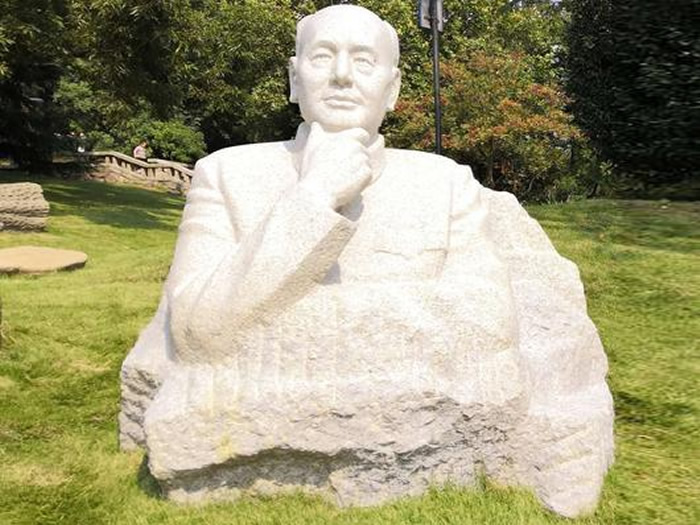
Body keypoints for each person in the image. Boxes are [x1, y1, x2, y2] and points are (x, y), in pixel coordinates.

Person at [120, 6, 613, 517]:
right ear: (294, 78)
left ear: (392, 89)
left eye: (363, 60)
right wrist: (314, 198)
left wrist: (275, 316)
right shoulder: (227, 174)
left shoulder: (443, 182)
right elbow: (199, 329)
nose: (341, 75)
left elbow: (488, 324)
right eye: (322, 57)